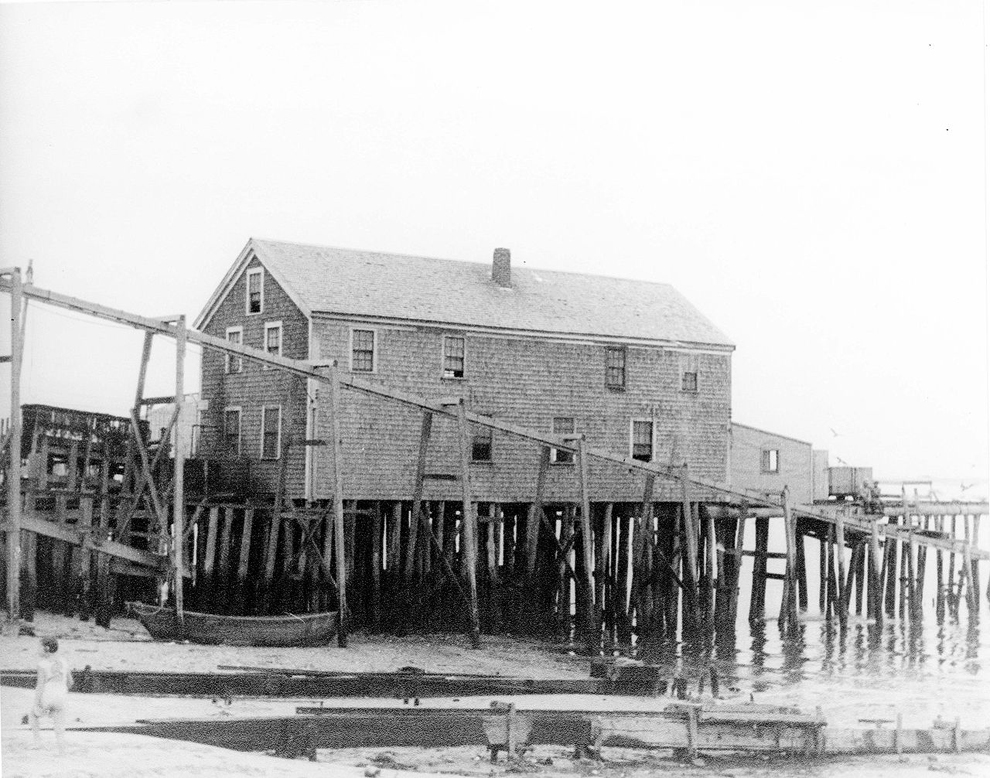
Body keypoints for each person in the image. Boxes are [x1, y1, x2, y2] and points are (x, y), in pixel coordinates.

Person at [30, 637, 71, 753]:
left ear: (46, 648)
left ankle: (37, 742)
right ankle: (61, 748)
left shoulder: (42, 664)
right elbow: (70, 682)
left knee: (33, 715)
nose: (37, 650)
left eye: (39, 647)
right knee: (59, 722)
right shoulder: (64, 661)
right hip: (61, 695)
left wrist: (36, 703)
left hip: (47, 694)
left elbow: (40, 686)